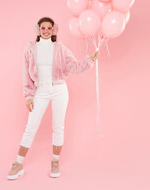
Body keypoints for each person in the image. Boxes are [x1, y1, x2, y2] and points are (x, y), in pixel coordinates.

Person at [7, 17, 100, 180]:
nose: (46, 31)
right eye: (43, 28)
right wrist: (29, 96)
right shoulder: (30, 49)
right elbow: (26, 75)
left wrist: (90, 59)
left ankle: (55, 161)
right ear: (38, 30)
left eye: (49, 28)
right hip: (40, 90)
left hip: (59, 90)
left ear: (53, 30)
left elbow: (74, 67)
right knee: (31, 127)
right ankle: (18, 163)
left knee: (58, 126)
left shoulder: (60, 48)